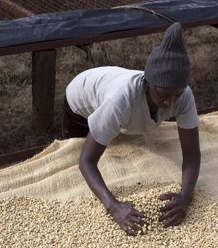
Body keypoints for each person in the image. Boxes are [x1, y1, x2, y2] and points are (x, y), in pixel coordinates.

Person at [63, 22, 200, 236]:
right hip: (80, 102)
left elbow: (191, 153)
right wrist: (114, 206)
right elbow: (86, 161)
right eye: (162, 95)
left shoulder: (183, 95)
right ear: (148, 84)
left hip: (112, 93)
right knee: (77, 149)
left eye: (176, 95)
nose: (168, 103)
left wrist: (185, 197)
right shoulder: (122, 100)